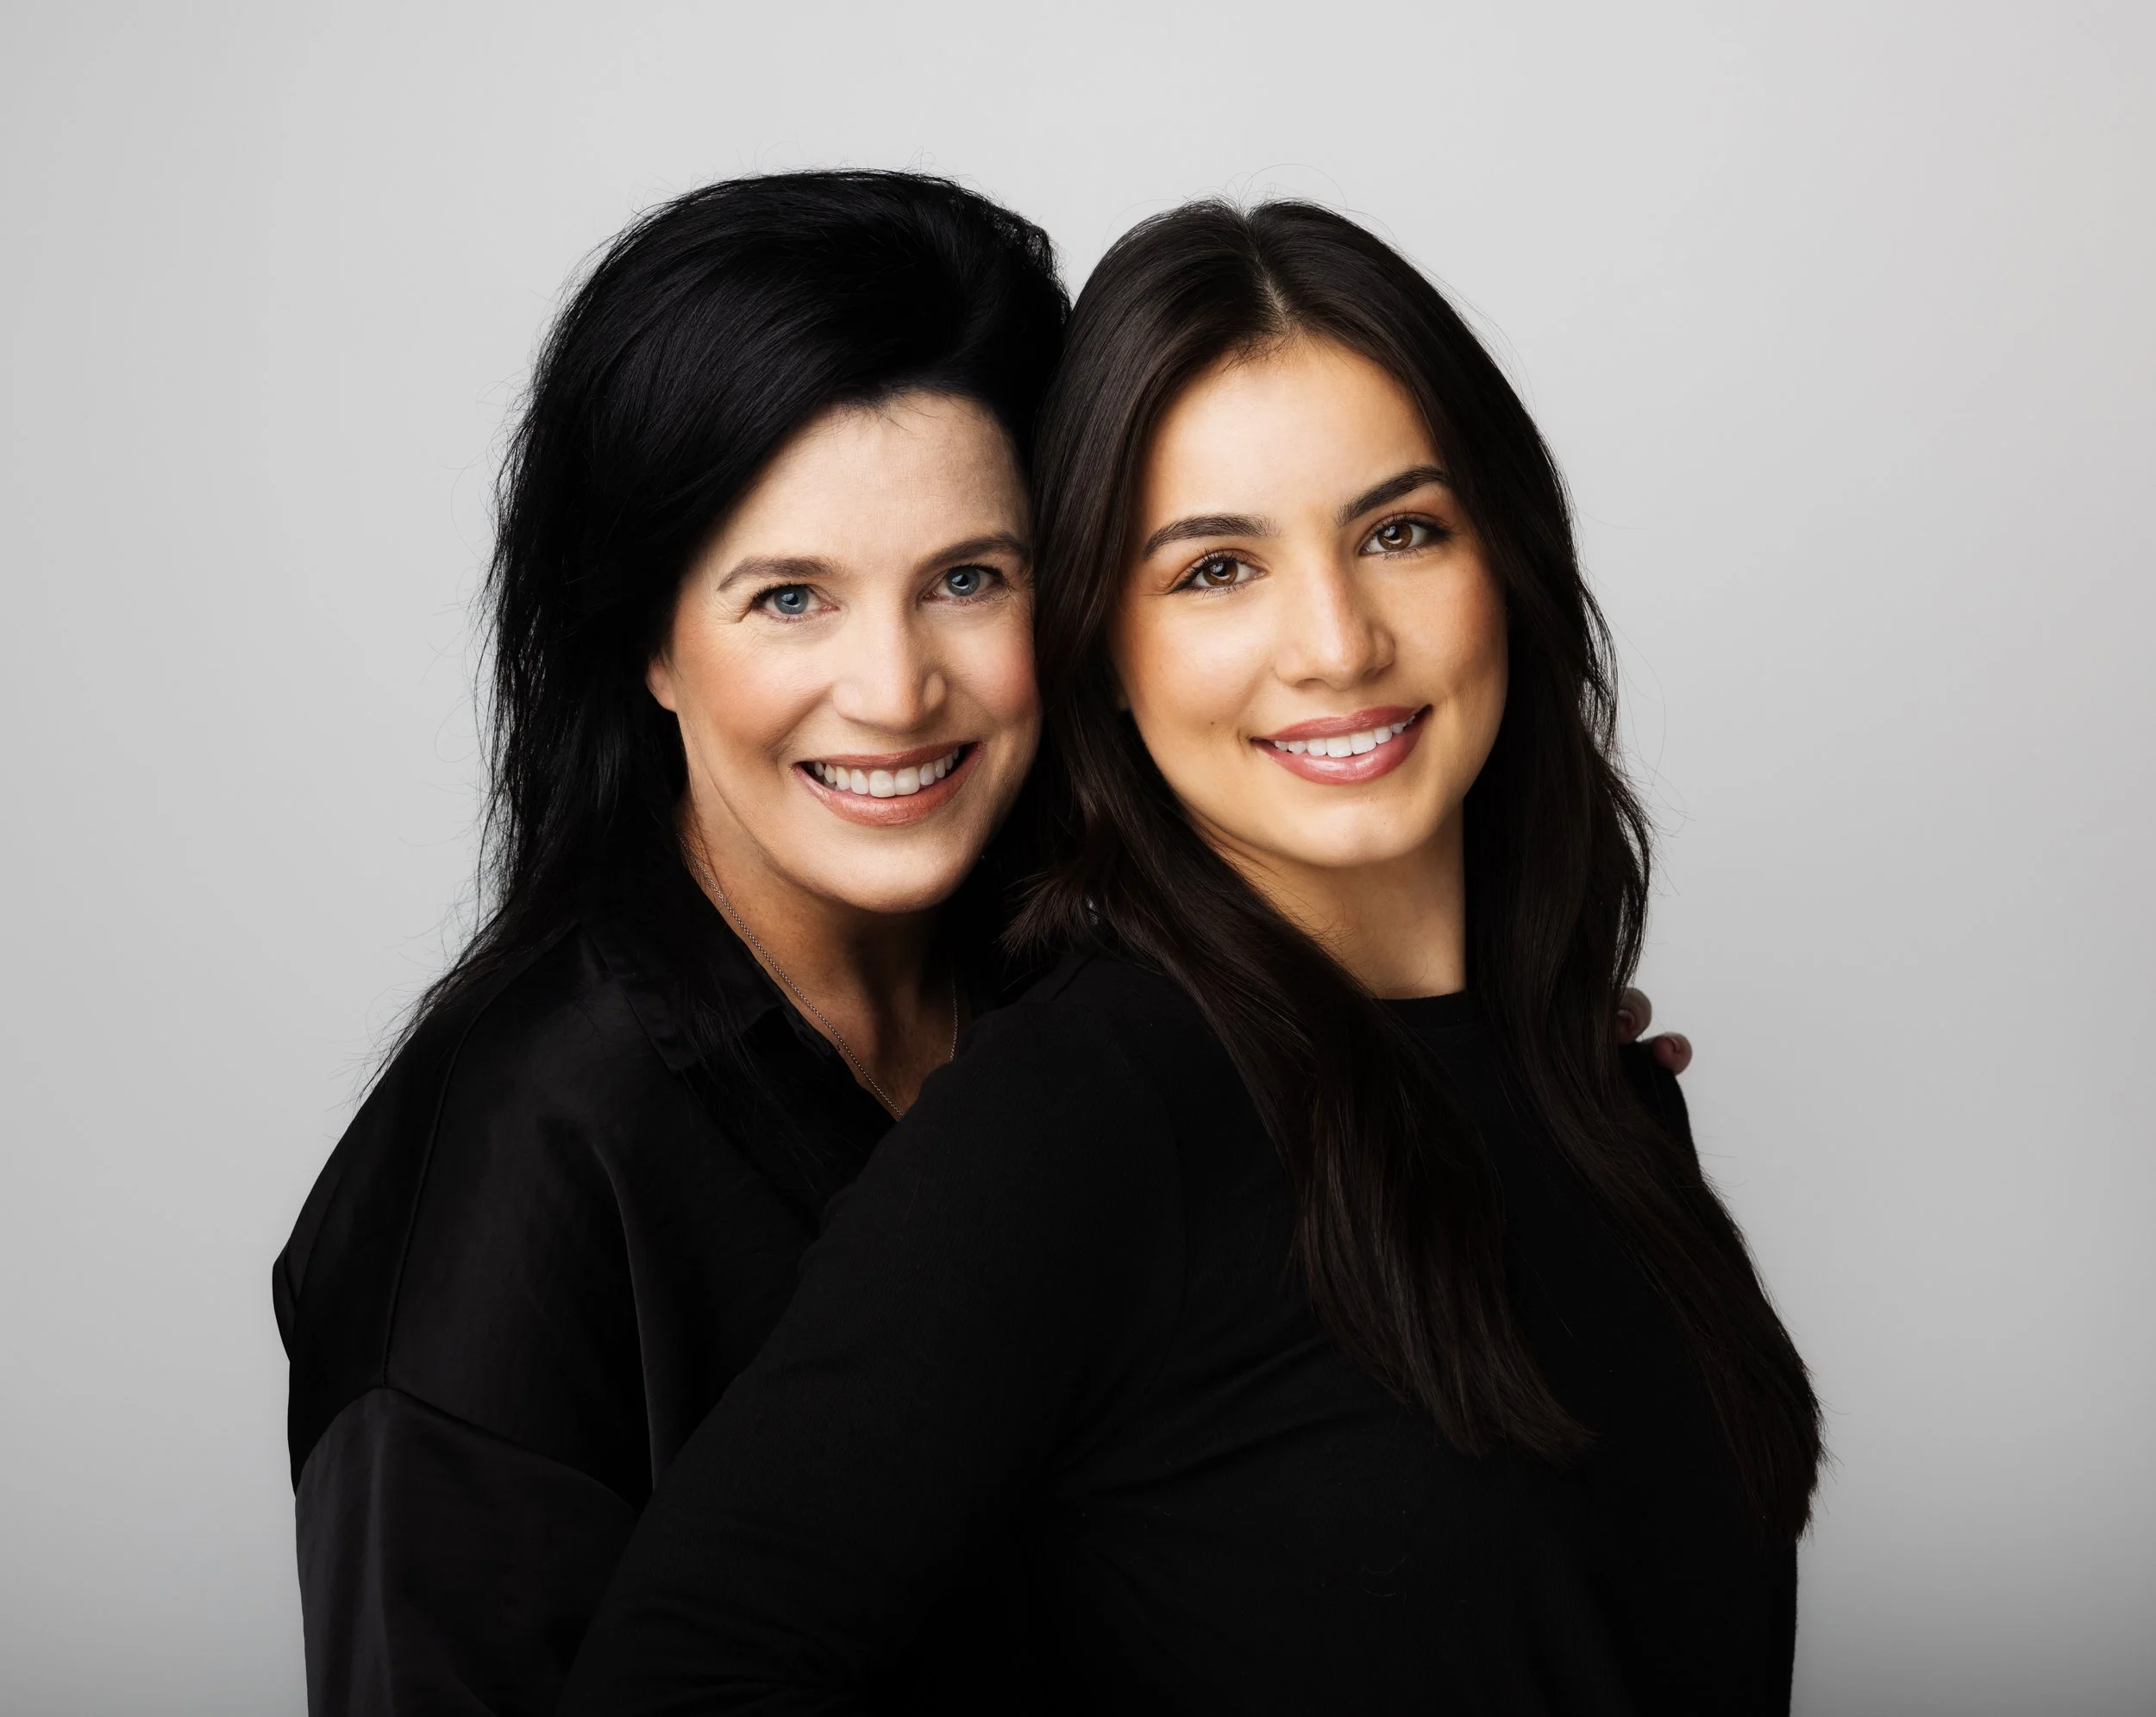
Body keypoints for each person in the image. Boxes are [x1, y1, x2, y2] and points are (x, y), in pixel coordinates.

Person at [558, 200, 1820, 1715]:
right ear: (1106, 644)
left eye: (1401, 531)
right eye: (1217, 569)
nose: (1338, 642)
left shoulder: (1600, 1087)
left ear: (1511, 561)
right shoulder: (1079, 1119)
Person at [271, 170, 1068, 1715]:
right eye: (789, 598)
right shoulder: (502, 1186)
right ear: (645, 638)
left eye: (969, 578)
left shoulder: (1089, 998)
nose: (897, 691)